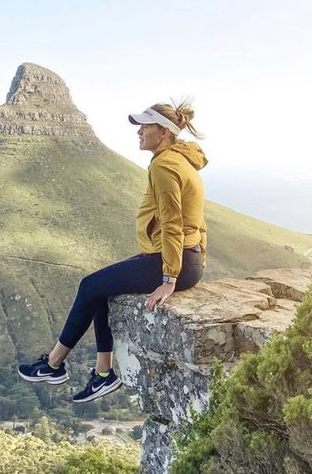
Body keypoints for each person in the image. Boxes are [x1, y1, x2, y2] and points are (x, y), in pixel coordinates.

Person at [17, 100, 208, 403]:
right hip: (186, 258)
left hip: (172, 261)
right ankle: (103, 374)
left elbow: (174, 222)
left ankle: (53, 365)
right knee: (100, 289)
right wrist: (196, 259)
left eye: (145, 126)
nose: (139, 132)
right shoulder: (182, 161)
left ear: (163, 132)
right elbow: (196, 219)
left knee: (89, 285)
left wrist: (170, 279)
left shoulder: (164, 165)